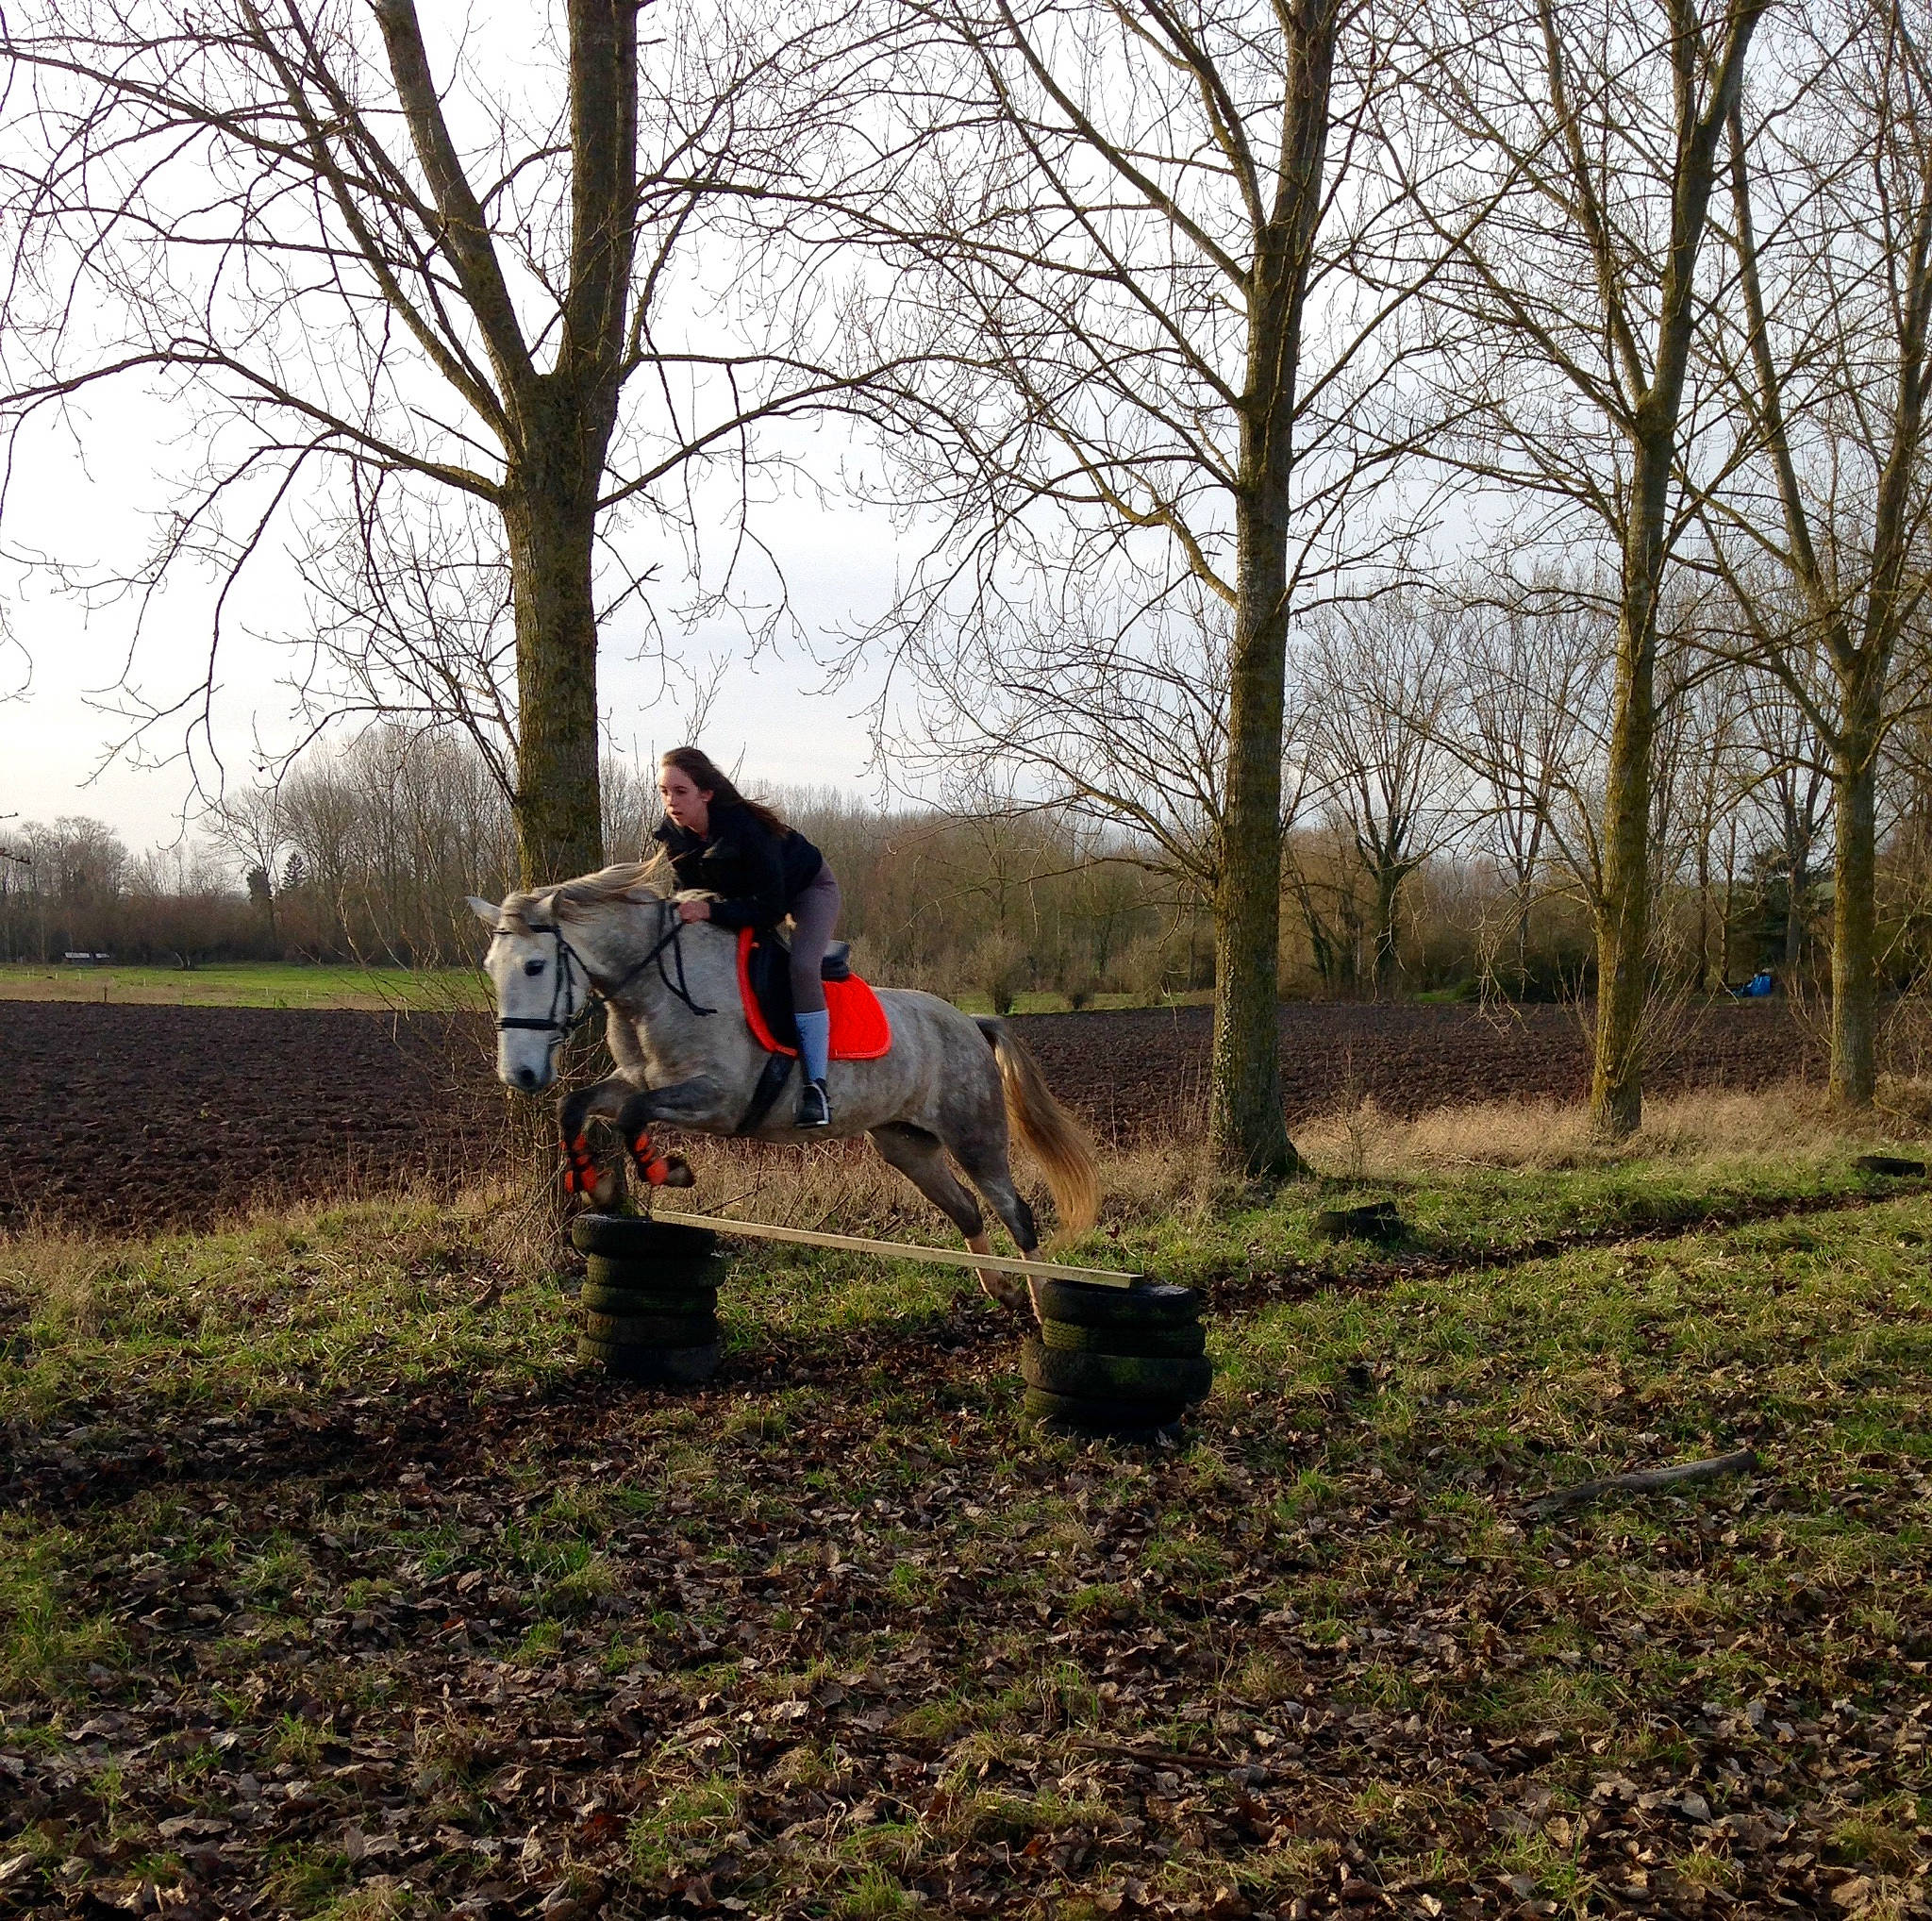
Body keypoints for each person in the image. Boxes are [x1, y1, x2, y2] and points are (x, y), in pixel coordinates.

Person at [651, 746, 842, 1128]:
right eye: (664, 792)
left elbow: (771, 910)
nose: (671, 801)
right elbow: (688, 896)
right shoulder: (674, 836)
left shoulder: (749, 831)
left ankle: (816, 1088)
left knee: (802, 968)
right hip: (746, 900)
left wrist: (711, 912)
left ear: (706, 793)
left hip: (806, 891)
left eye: (680, 791)